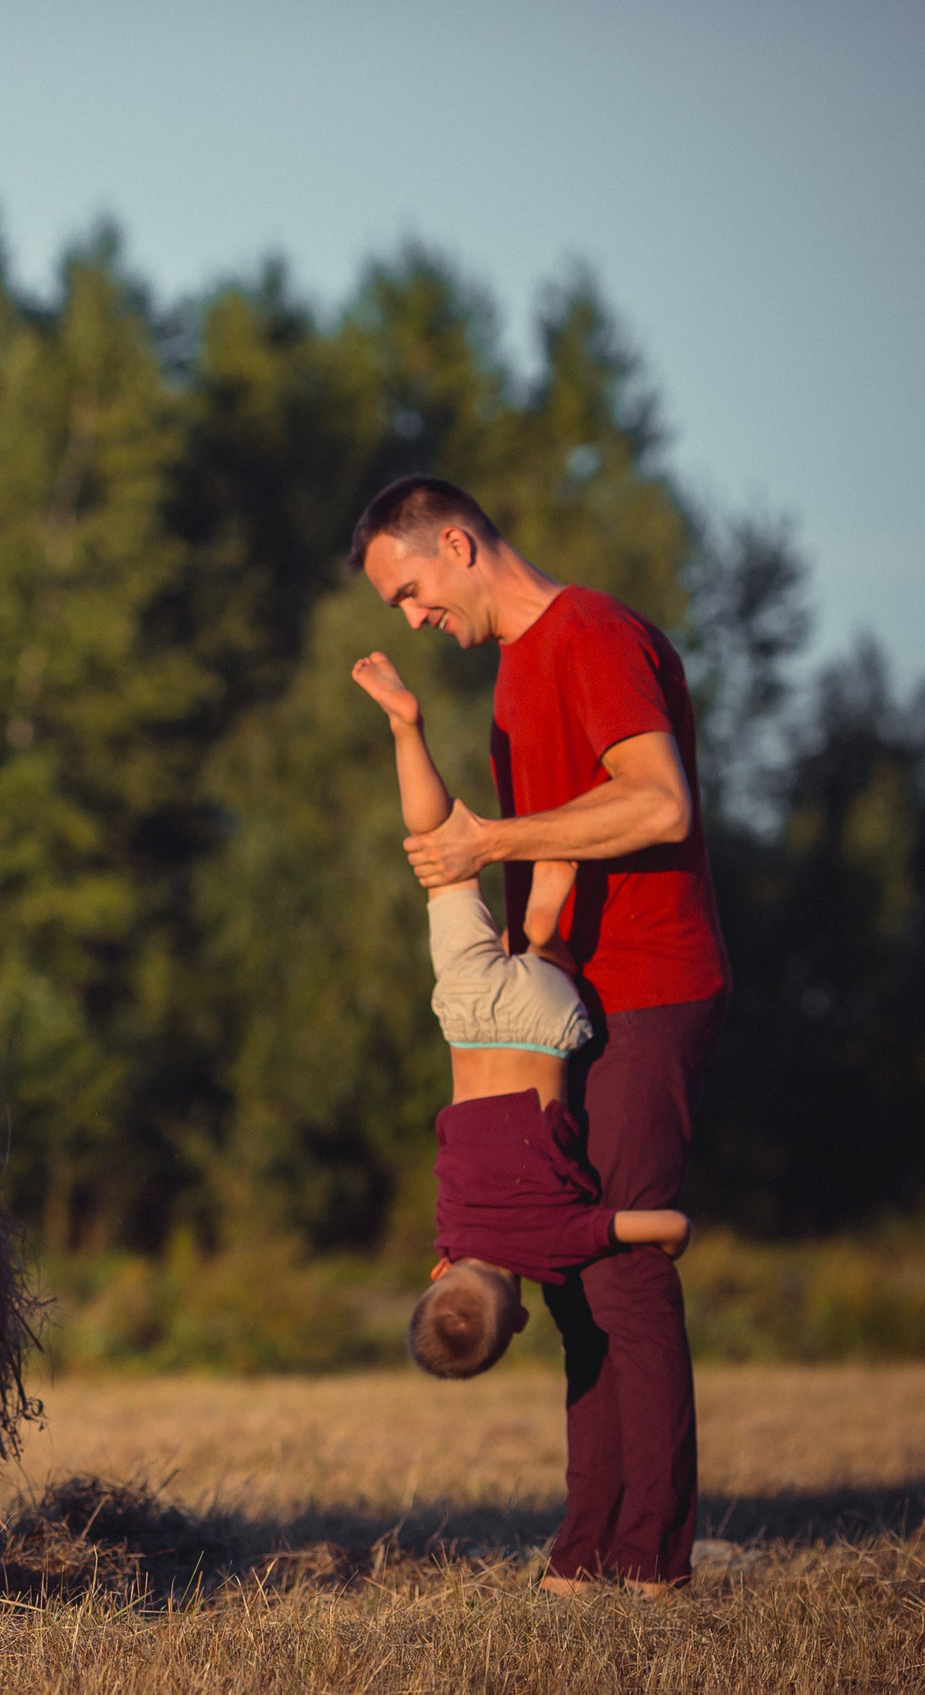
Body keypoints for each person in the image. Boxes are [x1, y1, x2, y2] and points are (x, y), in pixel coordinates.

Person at [351, 476, 728, 1596]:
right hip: (576, 994)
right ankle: (586, 1549)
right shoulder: (519, 672)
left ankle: (649, 1561)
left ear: (457, 545)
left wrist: (490, 845)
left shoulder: (592, 634)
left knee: (620, 1281)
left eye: (411, 591)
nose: (414, 618)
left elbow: (659, 804)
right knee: (573, 1283)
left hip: (650, 983)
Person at [348, 652, 691, 1383]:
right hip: (469, 1016)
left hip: (543, 1024)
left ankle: (545, 934)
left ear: (525, 1313)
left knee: (554, 972)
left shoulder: (551, 1247)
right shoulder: (449, 1228)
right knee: (445, 866)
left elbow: (644, 1225)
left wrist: (672, 1233)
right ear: (437, 1267)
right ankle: (406, 730)